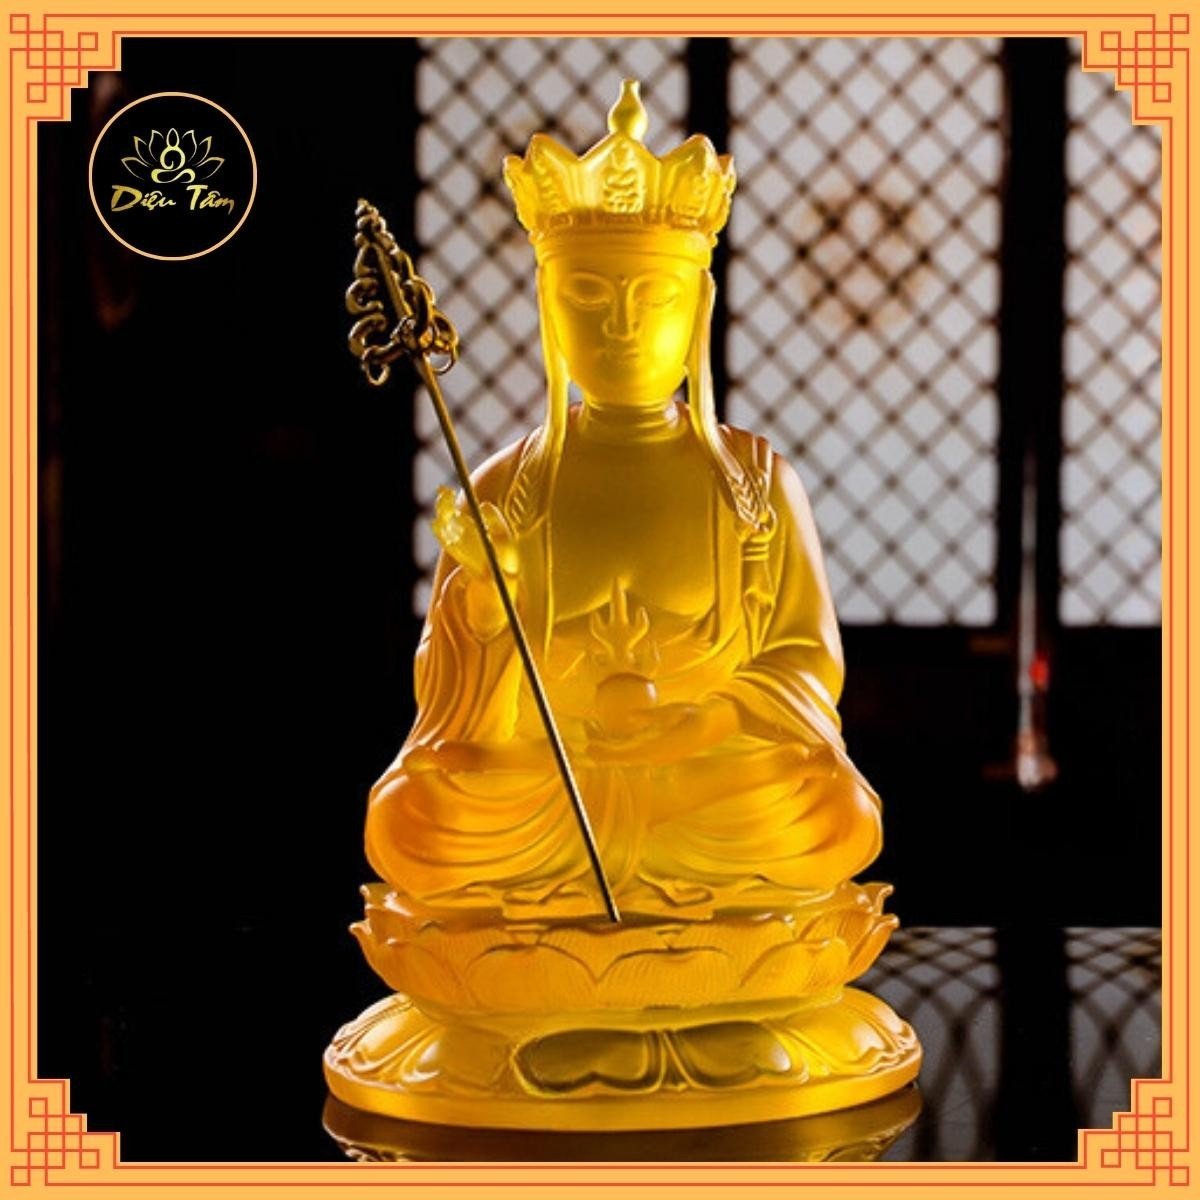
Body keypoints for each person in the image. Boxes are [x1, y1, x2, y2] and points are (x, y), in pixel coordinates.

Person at [364, 81, 882, 922]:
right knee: (411, 820)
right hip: (549, 787)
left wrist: (699, 729)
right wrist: (488, 611)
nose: (622, 328)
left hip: (701, 780)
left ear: (699, 308)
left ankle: (628, 872)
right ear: (549, 308)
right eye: (589, 297)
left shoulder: (755, 483)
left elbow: (805, 665)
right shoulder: (506, 485)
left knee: (831, 807)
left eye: (654, 299)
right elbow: (452, 716)